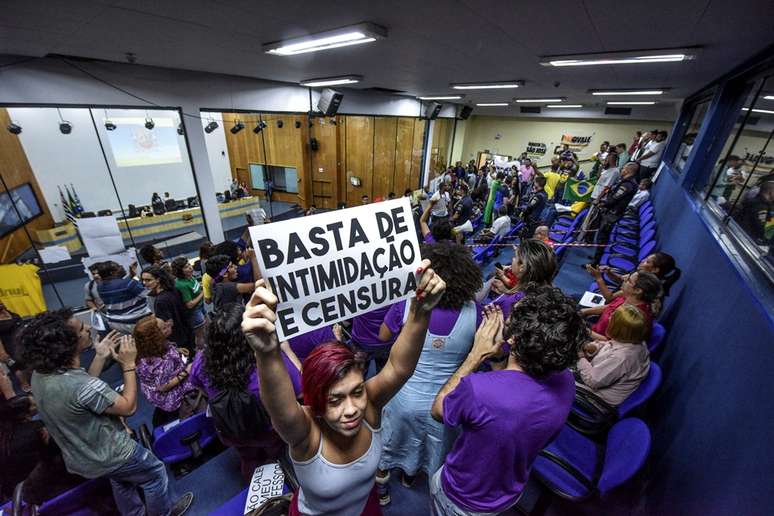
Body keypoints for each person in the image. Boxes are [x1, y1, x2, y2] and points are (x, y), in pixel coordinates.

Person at [241, 261, 446, 516]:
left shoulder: (370, 406)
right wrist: (266, 352)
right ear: (315, 401)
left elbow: (397, 367)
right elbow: (279, 409)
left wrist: (420, 310)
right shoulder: (306, 434)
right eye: (335, 400)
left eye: (357, 392)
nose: (352, 409)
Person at [429, 284, 587, 515]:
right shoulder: (566, 381)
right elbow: (509, 392)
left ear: (512, 339)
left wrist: (476, 355)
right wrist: (501, 356)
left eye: (511, 317)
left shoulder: (479, 390)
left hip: (463, 497)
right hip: (509, 489)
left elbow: (439, 410)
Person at [20, 310, 193, 516]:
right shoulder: (79, 386)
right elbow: (128, 407)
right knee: (154, 473)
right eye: (83, 329)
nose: (90, 328)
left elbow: (82, 395)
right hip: (113, 452)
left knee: (122, 482)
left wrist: (100, 357)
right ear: (69, 343)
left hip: (86, 455)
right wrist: (128, 365)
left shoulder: (41, 376)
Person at [376, 243, 483, 504]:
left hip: (402, 396)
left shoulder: (409, 305)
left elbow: (383, 335)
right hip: (444, 404)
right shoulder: (475, 312)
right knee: (425, 445)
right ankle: (409, 478)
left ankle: (382, 494)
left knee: (389, 442)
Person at [190, 303, 301, 482]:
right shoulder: (270, 365)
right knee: (275, 453)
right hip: (268, 431)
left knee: (247, 457)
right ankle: (276, 479)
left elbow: (199, 387)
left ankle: (252, 478)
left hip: (230, 430)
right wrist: (286, 350)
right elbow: (299, 389)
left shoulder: (201, 362)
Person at [576, 304, 651, 407]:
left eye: (613, 317)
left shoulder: (622, 357)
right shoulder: (635, 340)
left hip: (593, 399)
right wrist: (590, 347)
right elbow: (610, 345)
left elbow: (592, 380)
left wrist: (581, 357)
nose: (609, 317)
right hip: (597, 380)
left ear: (619, 329)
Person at [133, 316, 196, 427]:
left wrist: (177, 350)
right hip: (169, 394)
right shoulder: (162, 363)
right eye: (164, 327)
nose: (168, 325)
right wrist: (186, 371)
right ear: (156, 337)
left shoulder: (145, 349)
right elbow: (163, 387)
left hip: (153, 388)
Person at [582, 271, 662, 340]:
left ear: (637, 290)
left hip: (597, 344)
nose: (624, 279)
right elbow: (609, 307)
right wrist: (583, 311)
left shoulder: (633, 318)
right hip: (593, 330)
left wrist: (583, 330)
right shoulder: (627, 297)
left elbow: (611, 344)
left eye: (629, 280)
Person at [491, 239, 556, 320]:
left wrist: (508, 297)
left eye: (515, 257)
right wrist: (506, 291)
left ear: (522, 267)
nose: (513, 259)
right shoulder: (547, 289)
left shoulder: (511, 305)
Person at [590, 163, 640, 265]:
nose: (621, 170)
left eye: (623, 168)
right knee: (601, 236)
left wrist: (602, 204)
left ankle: (595, 263)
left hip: (613, 213)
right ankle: (596, 257)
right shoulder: (625, 182)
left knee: (602, 238)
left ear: (627, 171)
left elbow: (614, 199)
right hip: (611, 212)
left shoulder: (628, 184)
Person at [97, 261, 152, 334]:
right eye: (118, 266)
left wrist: (132, 275)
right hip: (135, 322)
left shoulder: (100, 287)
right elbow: (148, 292)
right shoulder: (129, 283)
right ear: (112, 273)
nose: (122, 266)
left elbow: (119, 285)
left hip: (115, 324)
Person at [170, 257, 206, 350]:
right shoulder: (181, 285)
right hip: (194, 312)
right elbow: (189, 304)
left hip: (201, 307)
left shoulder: (190, 276)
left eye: (189, 265)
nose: (190, 268)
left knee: (207, 329)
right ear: (180, 271)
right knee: (200, 336)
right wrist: (202, 293)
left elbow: (196, 288)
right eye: (186, 267)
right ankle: (202, 355)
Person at [733, 180, 774, 244]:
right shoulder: (761, 207)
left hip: (741, 232)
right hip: (746, 238)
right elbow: (760, 228)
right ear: (770, 192)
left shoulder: (754, 200)